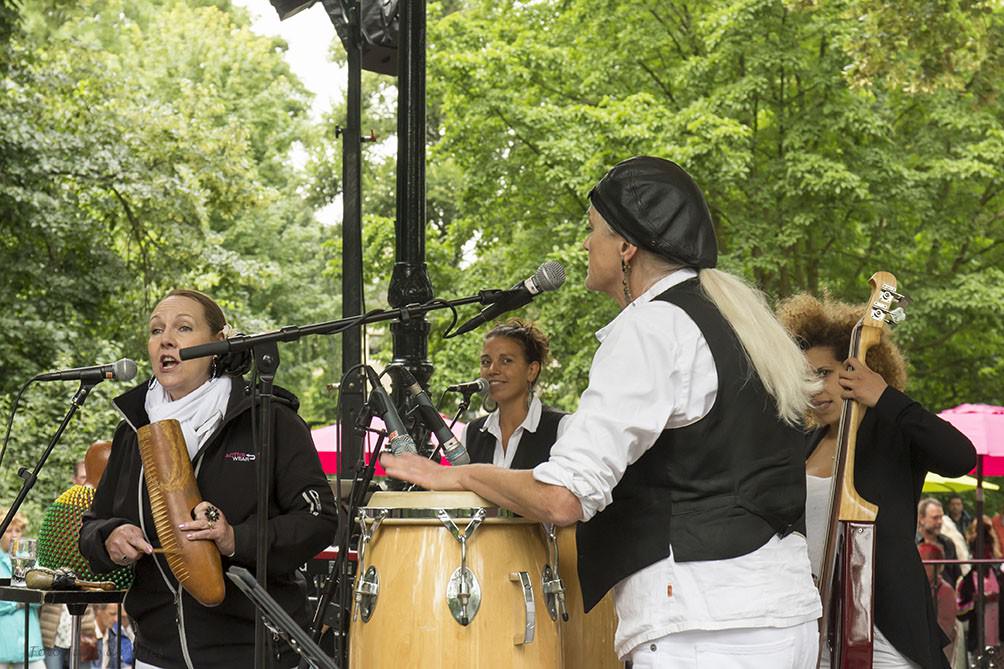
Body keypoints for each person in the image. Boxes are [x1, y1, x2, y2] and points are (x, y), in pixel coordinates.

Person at [383, 156, 822, 667]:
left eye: (592, 230)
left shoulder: (653, 326)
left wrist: (459, 476)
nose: (585, 245)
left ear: (627, 246)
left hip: (703, 626)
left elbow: (562, 498)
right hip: (781, 616)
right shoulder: (737, 323)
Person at [79, 289, 338, 669]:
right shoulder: (133, 431)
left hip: (253, 653)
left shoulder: (269, 418)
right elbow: (92, 525)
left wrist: (235, 538)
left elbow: (320, 520)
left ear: (218, 343)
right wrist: (109, 536)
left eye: (183, 328)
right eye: (156, 330)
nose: (166, 339)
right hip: (155, 654)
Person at [777, 293, 977, 669]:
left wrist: (885, 396)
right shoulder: (802, 444)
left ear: (857, 369)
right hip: (812, 624)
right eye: (804, 378)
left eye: (823, 373)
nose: (814, 388)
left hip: (884, 630)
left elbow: (961, 457)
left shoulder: (893, 432)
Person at [463, 318, 568, 469]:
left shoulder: (562, 427)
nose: (492, 370)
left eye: (506, 361)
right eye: (486, 362)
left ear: (531, 371)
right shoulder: (471, 433)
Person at [0, 510, 45, 669]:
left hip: (29, 639)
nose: (13, 535)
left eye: (17, 530)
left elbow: (39, 598)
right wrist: (20, 601)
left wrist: (11, 600)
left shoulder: (29, 560)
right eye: (8, 530)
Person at [956, 515, 1003, 656]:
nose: (985, 556)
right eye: (980, 552)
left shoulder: (1000, 577)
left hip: (1000, 643)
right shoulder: (967, 581)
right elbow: (960, 613)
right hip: (978, 643)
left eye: (987, 552)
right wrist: (975, 602)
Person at [917, 542, 958, 665]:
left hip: (936, 655)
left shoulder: (945, 591)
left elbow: (945, 629)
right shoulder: (916, 588)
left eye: (924, 563)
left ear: (936, 566)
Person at [918, 498, 962, 586]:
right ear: (922, 519)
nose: (940, 522)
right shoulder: (912, 544)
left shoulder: (948, 543)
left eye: (941, 517)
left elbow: (957, 575)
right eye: (935, 518)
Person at [94, 603, 134, 669]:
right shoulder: (88, 638)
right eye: (112, 614)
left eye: (117, 614)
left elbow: (128, 657)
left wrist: (126, 625)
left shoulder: (113, 634)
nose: (116, 619)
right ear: (98, 611)